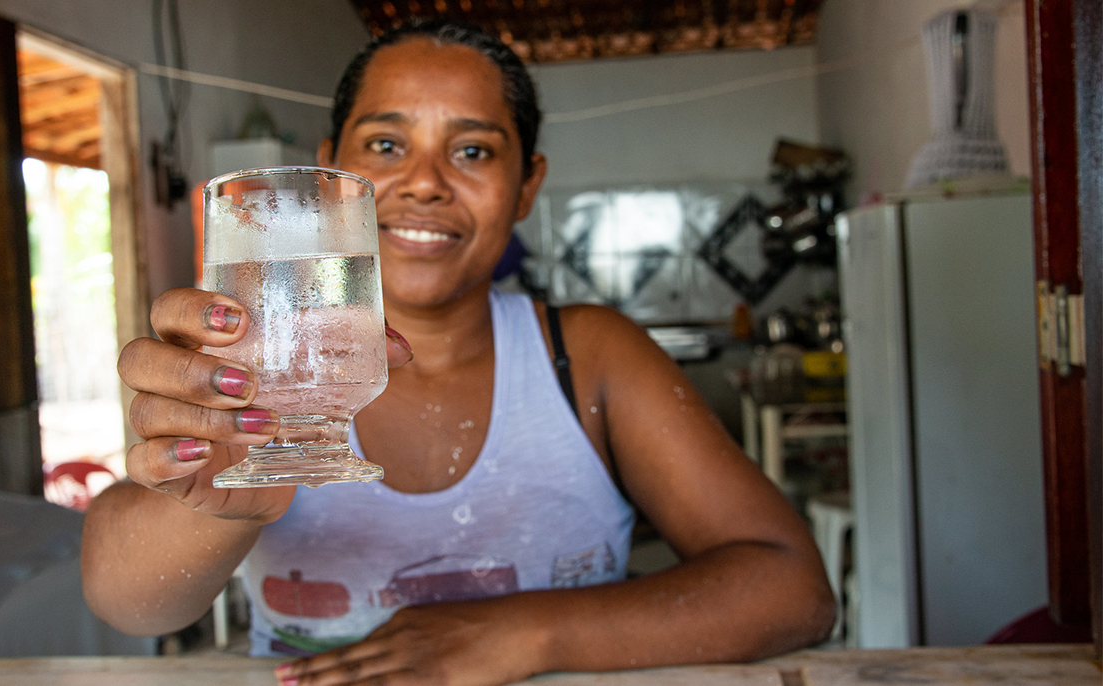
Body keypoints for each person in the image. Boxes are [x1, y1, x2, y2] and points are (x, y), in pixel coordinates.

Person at [82, 20, 835, 686]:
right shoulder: (261, 370)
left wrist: (519, 631)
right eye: (385, 144)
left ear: (527, 186)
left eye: (472, 149)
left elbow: (793, 589)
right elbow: (128, 604)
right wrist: (215, 502)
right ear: (327, 171)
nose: (425, 183)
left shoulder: (589, 355)